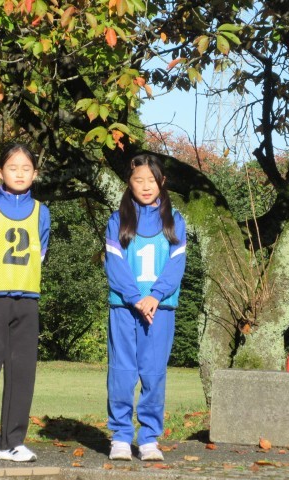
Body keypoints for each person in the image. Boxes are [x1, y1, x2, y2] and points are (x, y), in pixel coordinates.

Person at [0, 143, 50, 462]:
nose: (19, 173)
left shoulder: (42, 212)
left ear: (35, 174)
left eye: (26, 168)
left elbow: (40, 254)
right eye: (13, 168)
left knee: (22, 373)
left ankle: (13, 440)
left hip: (26, 299)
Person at [104, 153, 187, 462]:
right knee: (122, 373)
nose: (145, 186)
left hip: (159, 310)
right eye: (138, 180)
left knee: (153, 374)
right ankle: (121, 437)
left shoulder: (175, 220)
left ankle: (149, 438)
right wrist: (136, 298)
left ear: (161, 182)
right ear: (129, 183)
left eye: (151, 180)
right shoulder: (117, 220)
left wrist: (155, 296)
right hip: (124, 309)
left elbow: (176, 265)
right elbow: (115, 264)